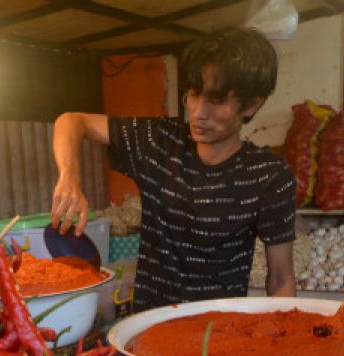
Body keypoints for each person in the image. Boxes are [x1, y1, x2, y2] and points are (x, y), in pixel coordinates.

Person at [51, 28, 297, 312]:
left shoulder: (268, 175)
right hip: (150, 327)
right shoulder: (159, 142)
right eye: (193, 95)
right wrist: (69, 176)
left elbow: (281, 277)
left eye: (216, 101)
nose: (198, 112)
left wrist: (284, 334)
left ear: (252, 104)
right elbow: (71, 121)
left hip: (221, 333)